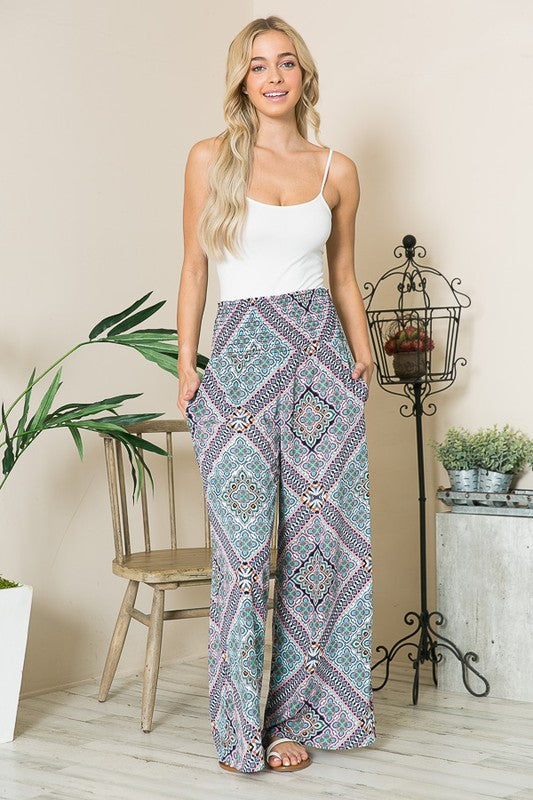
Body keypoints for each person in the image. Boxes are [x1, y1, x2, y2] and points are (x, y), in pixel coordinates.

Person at [176, 15, 376, 774]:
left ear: (302, 77)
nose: (271, 75)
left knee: (319, 550)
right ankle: (237, 733)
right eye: (257, 64)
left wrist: (362, 361)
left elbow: (344, 275)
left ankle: (293, 720)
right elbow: (193, 269)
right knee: (243, 556)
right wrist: (189, 367)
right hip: (236, 367)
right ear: (242, 79)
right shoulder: (209, 159)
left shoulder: (337, 169)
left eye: (285, 62)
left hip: (323, 364)